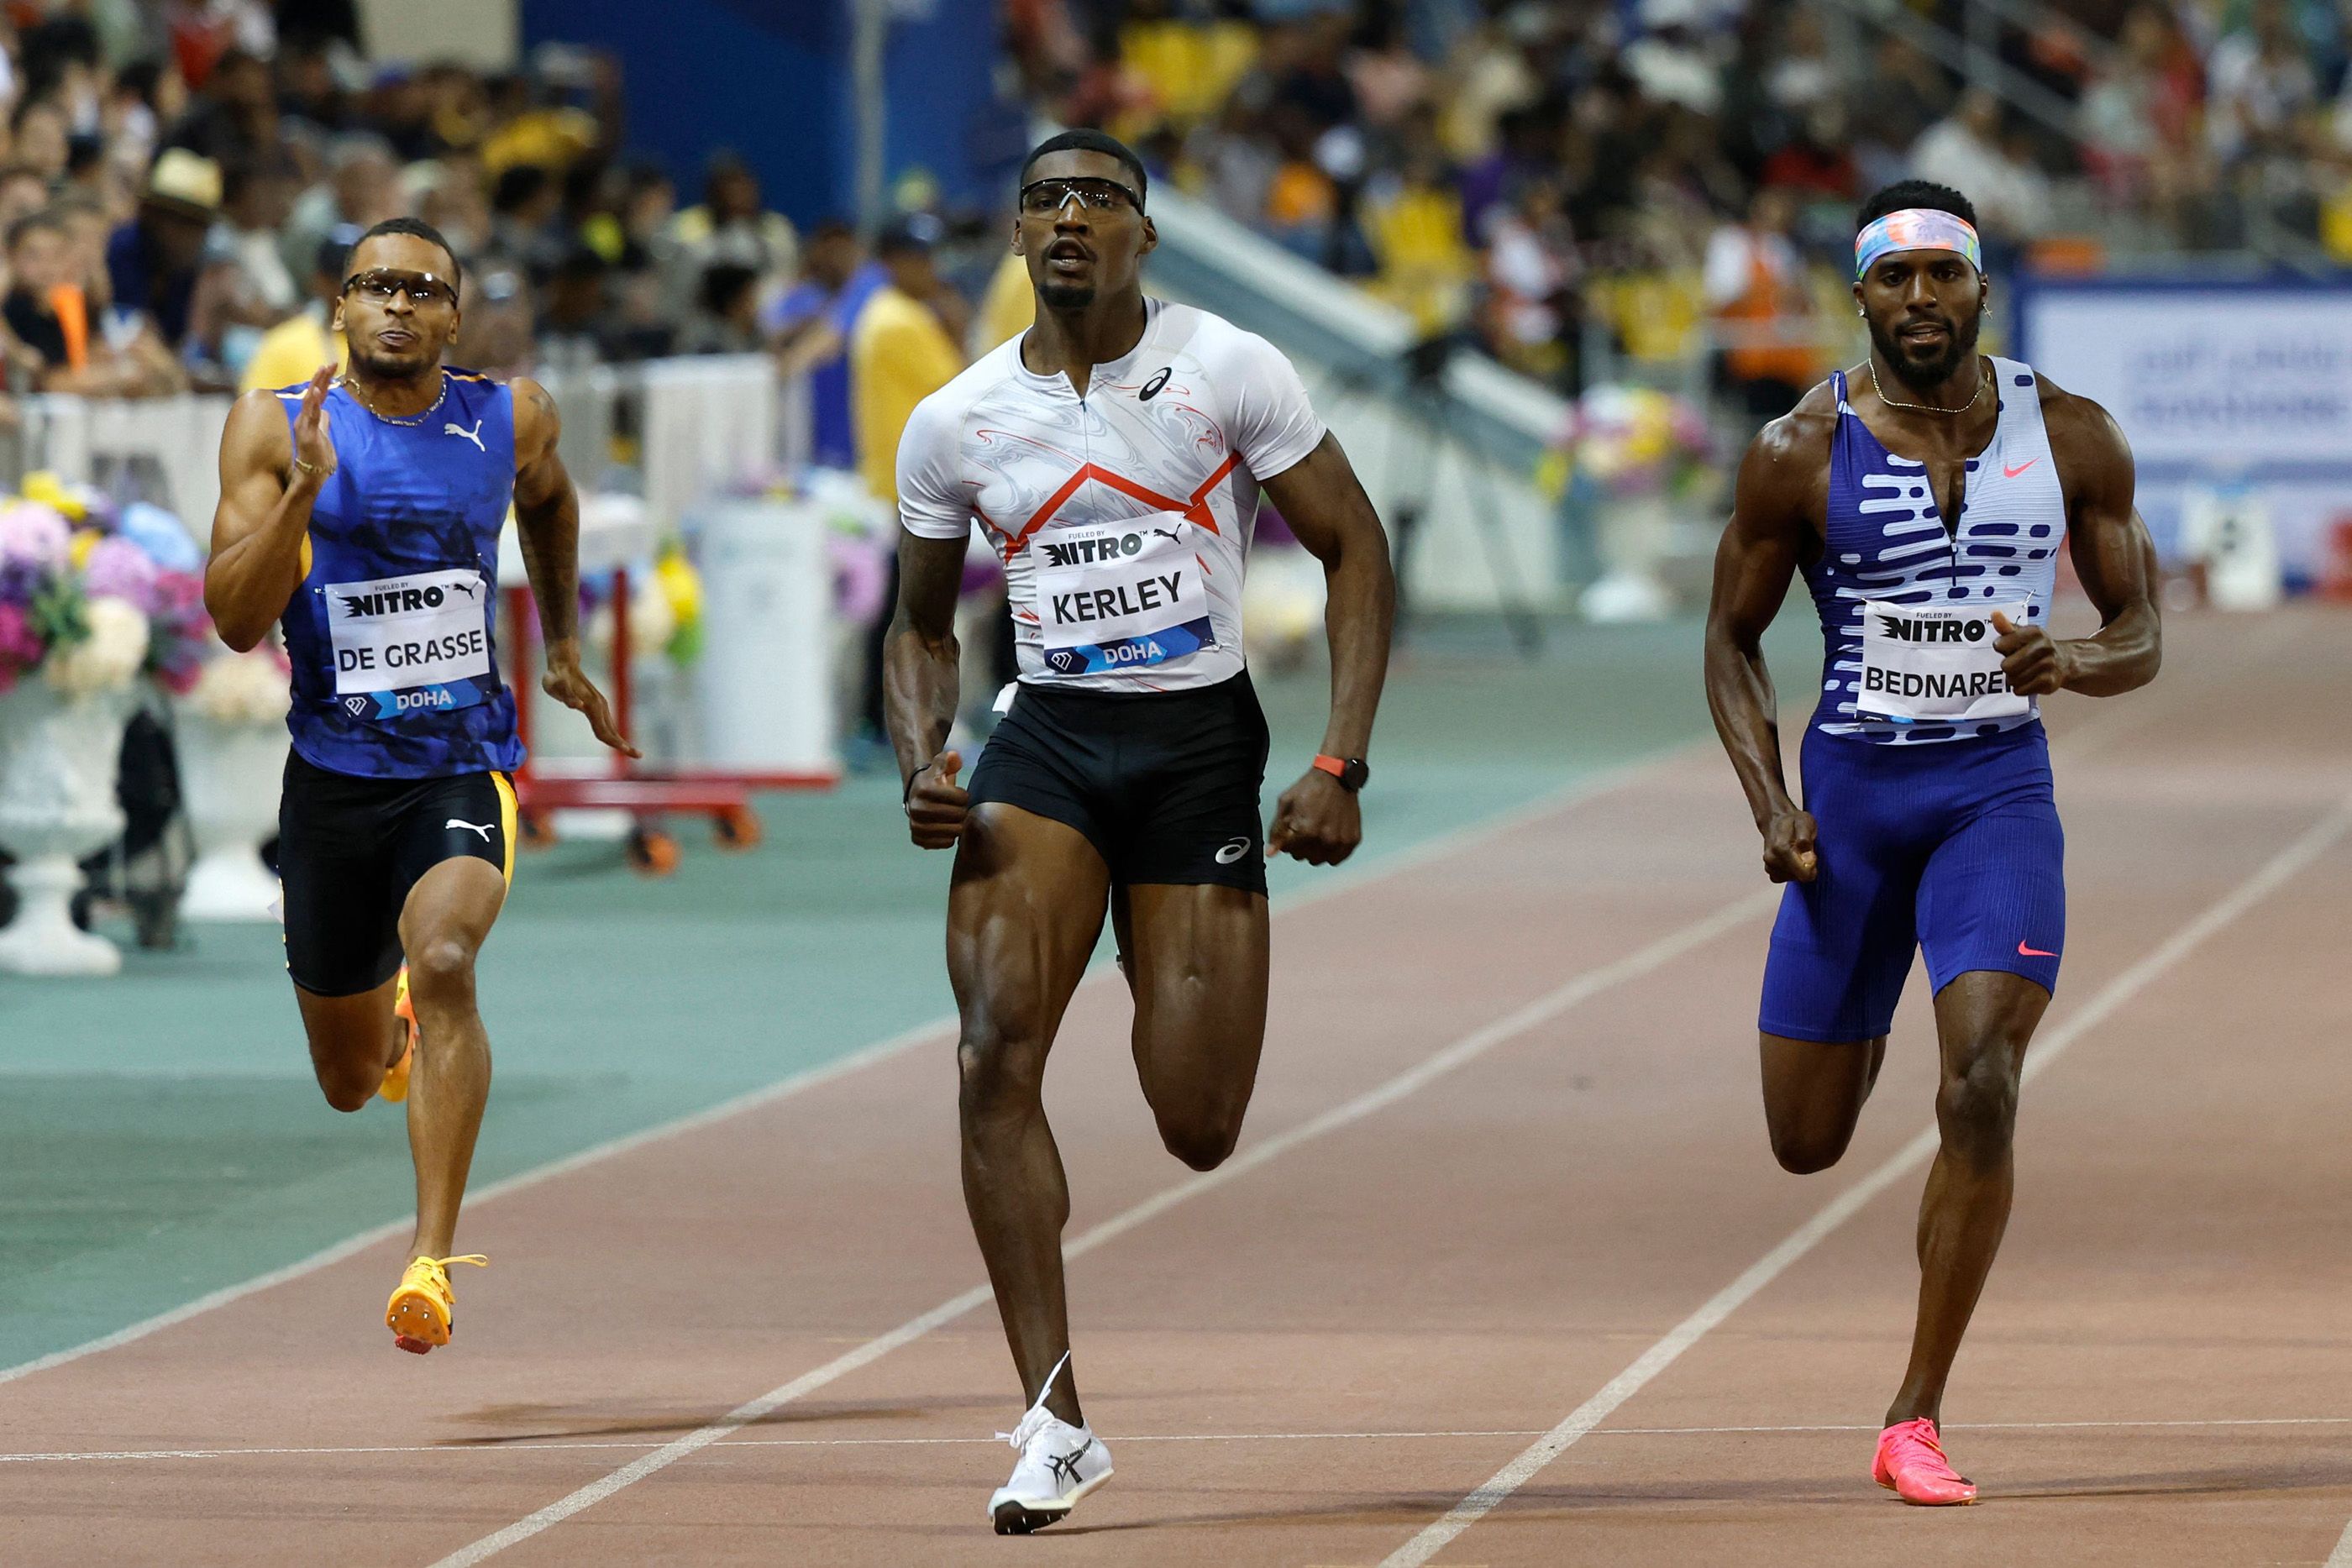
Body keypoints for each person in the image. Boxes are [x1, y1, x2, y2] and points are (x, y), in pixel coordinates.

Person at [886, 128, 1395, 1533]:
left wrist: (1339, 757)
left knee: (1199, 1123)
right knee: (994, 1051)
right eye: (1044, 199)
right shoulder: (957, 420)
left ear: (1143, 238)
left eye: (1100, 201)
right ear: (1015, 237)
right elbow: (920, 628)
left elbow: (1356, 546)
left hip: (1194, 751)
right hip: (1043, 742)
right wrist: (921, 754)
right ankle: (1053, 1420)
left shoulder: (1228, 369)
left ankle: (1145, 940)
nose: (1069, 219)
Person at [1702, 181, 2160, 1505]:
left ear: (1977, 288)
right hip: (1851, 809)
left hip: (1993, 798)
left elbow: (2142, 630)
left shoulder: (2069, 434)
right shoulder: (1797, 449)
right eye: (1893, 281)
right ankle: (1863, 999)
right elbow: (1730, 643)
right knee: (1806, 1142)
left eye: (1941, 278)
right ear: (1862, 297)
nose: (1919, 302)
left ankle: (1916, 1415)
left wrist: (2072, 657)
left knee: (1984, 1087)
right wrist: (1772, 805)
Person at [202, 216, 635, 1355]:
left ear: (455, 314)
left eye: (420, 289)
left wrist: (564, 644)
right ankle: (388, 1025)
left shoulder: (509, 414)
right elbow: (237, 621)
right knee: (349, 1082)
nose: (395, 304)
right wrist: (301, 494)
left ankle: (429, 1260)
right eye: (372, 286)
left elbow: (548, 499)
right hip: (331, 777)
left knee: (446, 957)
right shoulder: (271, 424)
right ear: (339, 307)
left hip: (459, 762)